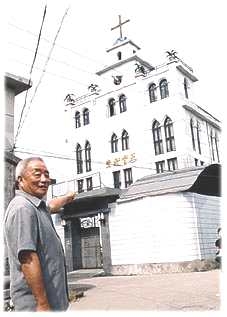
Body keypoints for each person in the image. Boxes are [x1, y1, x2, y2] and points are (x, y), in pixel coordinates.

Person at [4, 157, 76, 311]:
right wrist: (42, 304)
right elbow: (27, 258)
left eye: (47, 175)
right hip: (38, 306)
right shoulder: (23, 209)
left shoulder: (37, 207)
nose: (44, 180)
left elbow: (51, 205)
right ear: (20, 180)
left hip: (53, 303)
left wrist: (67, 198)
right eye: (37, 174)